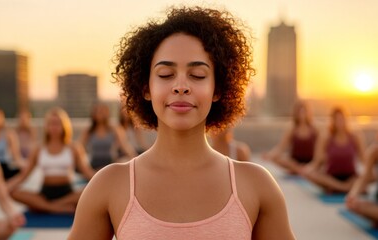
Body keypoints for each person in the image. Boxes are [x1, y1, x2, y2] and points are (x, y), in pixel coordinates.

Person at [69, 6, 294, 239]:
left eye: (197, 75)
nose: (181, 85)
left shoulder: (257, 186)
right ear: (146, 88)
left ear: (217, 89)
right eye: (166, 74)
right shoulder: (108, 185)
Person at [8, 107, 95, 213]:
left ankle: (47, 206)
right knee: (14, 192)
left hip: (67, 193)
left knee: (90, 191)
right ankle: (56, 207)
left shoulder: (73, 148)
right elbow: (24, 175)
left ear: (64, 125)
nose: (54, 127)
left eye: (57, 123)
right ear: (47, 126)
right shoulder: (38, 148)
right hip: (45, 192)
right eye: (51, 123)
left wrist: (103, 180)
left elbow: (86, 171)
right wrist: (6, 187)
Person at [302, 107, 366, 193]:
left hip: (351, 177)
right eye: (337, 119)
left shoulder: (355, 137)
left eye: (342, 118)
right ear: (333, 121)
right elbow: (316, 162)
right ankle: (344, 188)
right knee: (309, 173)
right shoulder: (326, 138)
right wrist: (307, 170)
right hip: (331, 178)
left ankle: (337, 188)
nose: (340, 122)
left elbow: (364, 160)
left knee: (369, 177)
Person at [263, 101, 318, 173]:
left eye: (304, 112)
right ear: (296, 113)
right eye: (300, 112)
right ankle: (299, 170)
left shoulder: (314, 129)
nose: (302, 115)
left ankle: (302, 170)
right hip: (294, 162)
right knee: (277, 158)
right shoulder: (292, 129)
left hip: (310, 161)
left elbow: (320, 151)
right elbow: (281, 147)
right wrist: (270, 155)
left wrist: (314, 164)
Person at [79, 103, 137, 170]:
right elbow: (79, 147)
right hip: (94, 164)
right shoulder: (89, 131)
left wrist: (135, 158)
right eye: (99, 111)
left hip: (110, 164)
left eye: (103, 111)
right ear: (94, 114)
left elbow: (125, 146)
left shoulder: (114, 129)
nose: (101, 114)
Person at [346, 132, 378, 224]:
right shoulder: (374, 152)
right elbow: (364, 177)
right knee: (353, 205)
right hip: (376, 200)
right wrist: (353, 194)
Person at [0, 108, 25, 180]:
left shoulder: (9, 134)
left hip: (4, 167)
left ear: (1, 119)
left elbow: (16, 156)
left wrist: (26, 166)